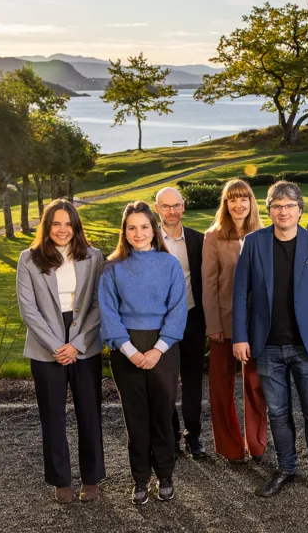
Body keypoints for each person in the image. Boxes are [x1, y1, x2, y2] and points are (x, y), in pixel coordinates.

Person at [232, 181, 308, 499]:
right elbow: (241, 293)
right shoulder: (254, 242)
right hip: (266, 345)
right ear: (269, 210)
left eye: (289, 206)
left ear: (299, 210)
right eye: (277, 206)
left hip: (307, 346)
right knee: (278, 413)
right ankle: (286, 467)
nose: (283, 211)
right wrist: (240, 337)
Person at [16, 199, 105, 504]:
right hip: (46, 346)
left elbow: (98, 305)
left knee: (89, 413)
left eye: (68, 223)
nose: (63, 229)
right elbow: (28, 310)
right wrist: (57, 346)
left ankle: (91, 478)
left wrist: (76, 344)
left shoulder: (94, 257)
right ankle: (60, 479)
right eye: (56, 223)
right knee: (53, 415)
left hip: (85, 341)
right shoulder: (28, 259)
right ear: (47, 226)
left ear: (76, 226)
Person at [100, 201, 187, 505]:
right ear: (124, 232)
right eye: (132, 227)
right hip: (126, 347)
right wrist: (129, 351)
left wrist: (157, 350)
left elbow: (177, 310)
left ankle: (165, 474)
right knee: (135, 417)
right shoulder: (112, 267)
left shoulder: (169, 264)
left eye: (144, 226)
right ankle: (140, 478)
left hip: (163, 346)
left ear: (154, 229)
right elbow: (108, 313)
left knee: (162, 413)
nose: (139, 233)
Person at [202, 179, 267, 465]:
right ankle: (230, 447)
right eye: (232, 199)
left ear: (251, 202)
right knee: (221, 386)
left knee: (255, 385)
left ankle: (256, 444)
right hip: (224, 323)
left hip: (258, 325)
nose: (238, 204)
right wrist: (213, 325)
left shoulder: (265, 234)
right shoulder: (213, 237)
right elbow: (209, 284)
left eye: (244, 198)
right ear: (225, 205)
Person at [154, 187, 207, 460]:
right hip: (159, 324)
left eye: (176, 205)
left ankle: (194, 435)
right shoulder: (148, 242)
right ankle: (171, 435)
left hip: (192, 318)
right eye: (166, 206)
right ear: (157, 209)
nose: (172, 211)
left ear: (183, 207)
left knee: (193, 380)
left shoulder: (199, 241)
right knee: (165, 382)